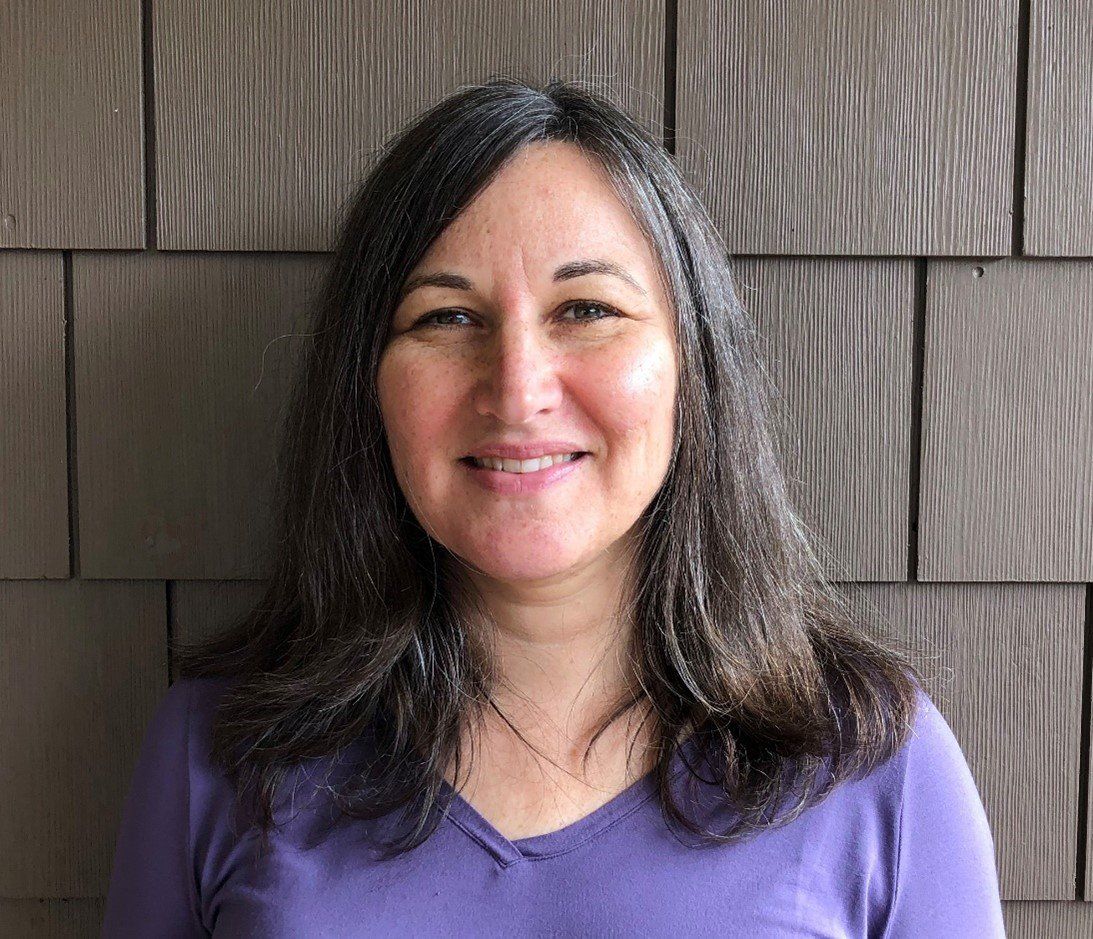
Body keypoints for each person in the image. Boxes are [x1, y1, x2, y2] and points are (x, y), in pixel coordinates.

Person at [101, 78, 1005, 937]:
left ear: (692, 368)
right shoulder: (215, 753)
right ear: (367, 384)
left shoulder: (875, 767)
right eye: (446, 319)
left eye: (586, 308)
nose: (518, 389)